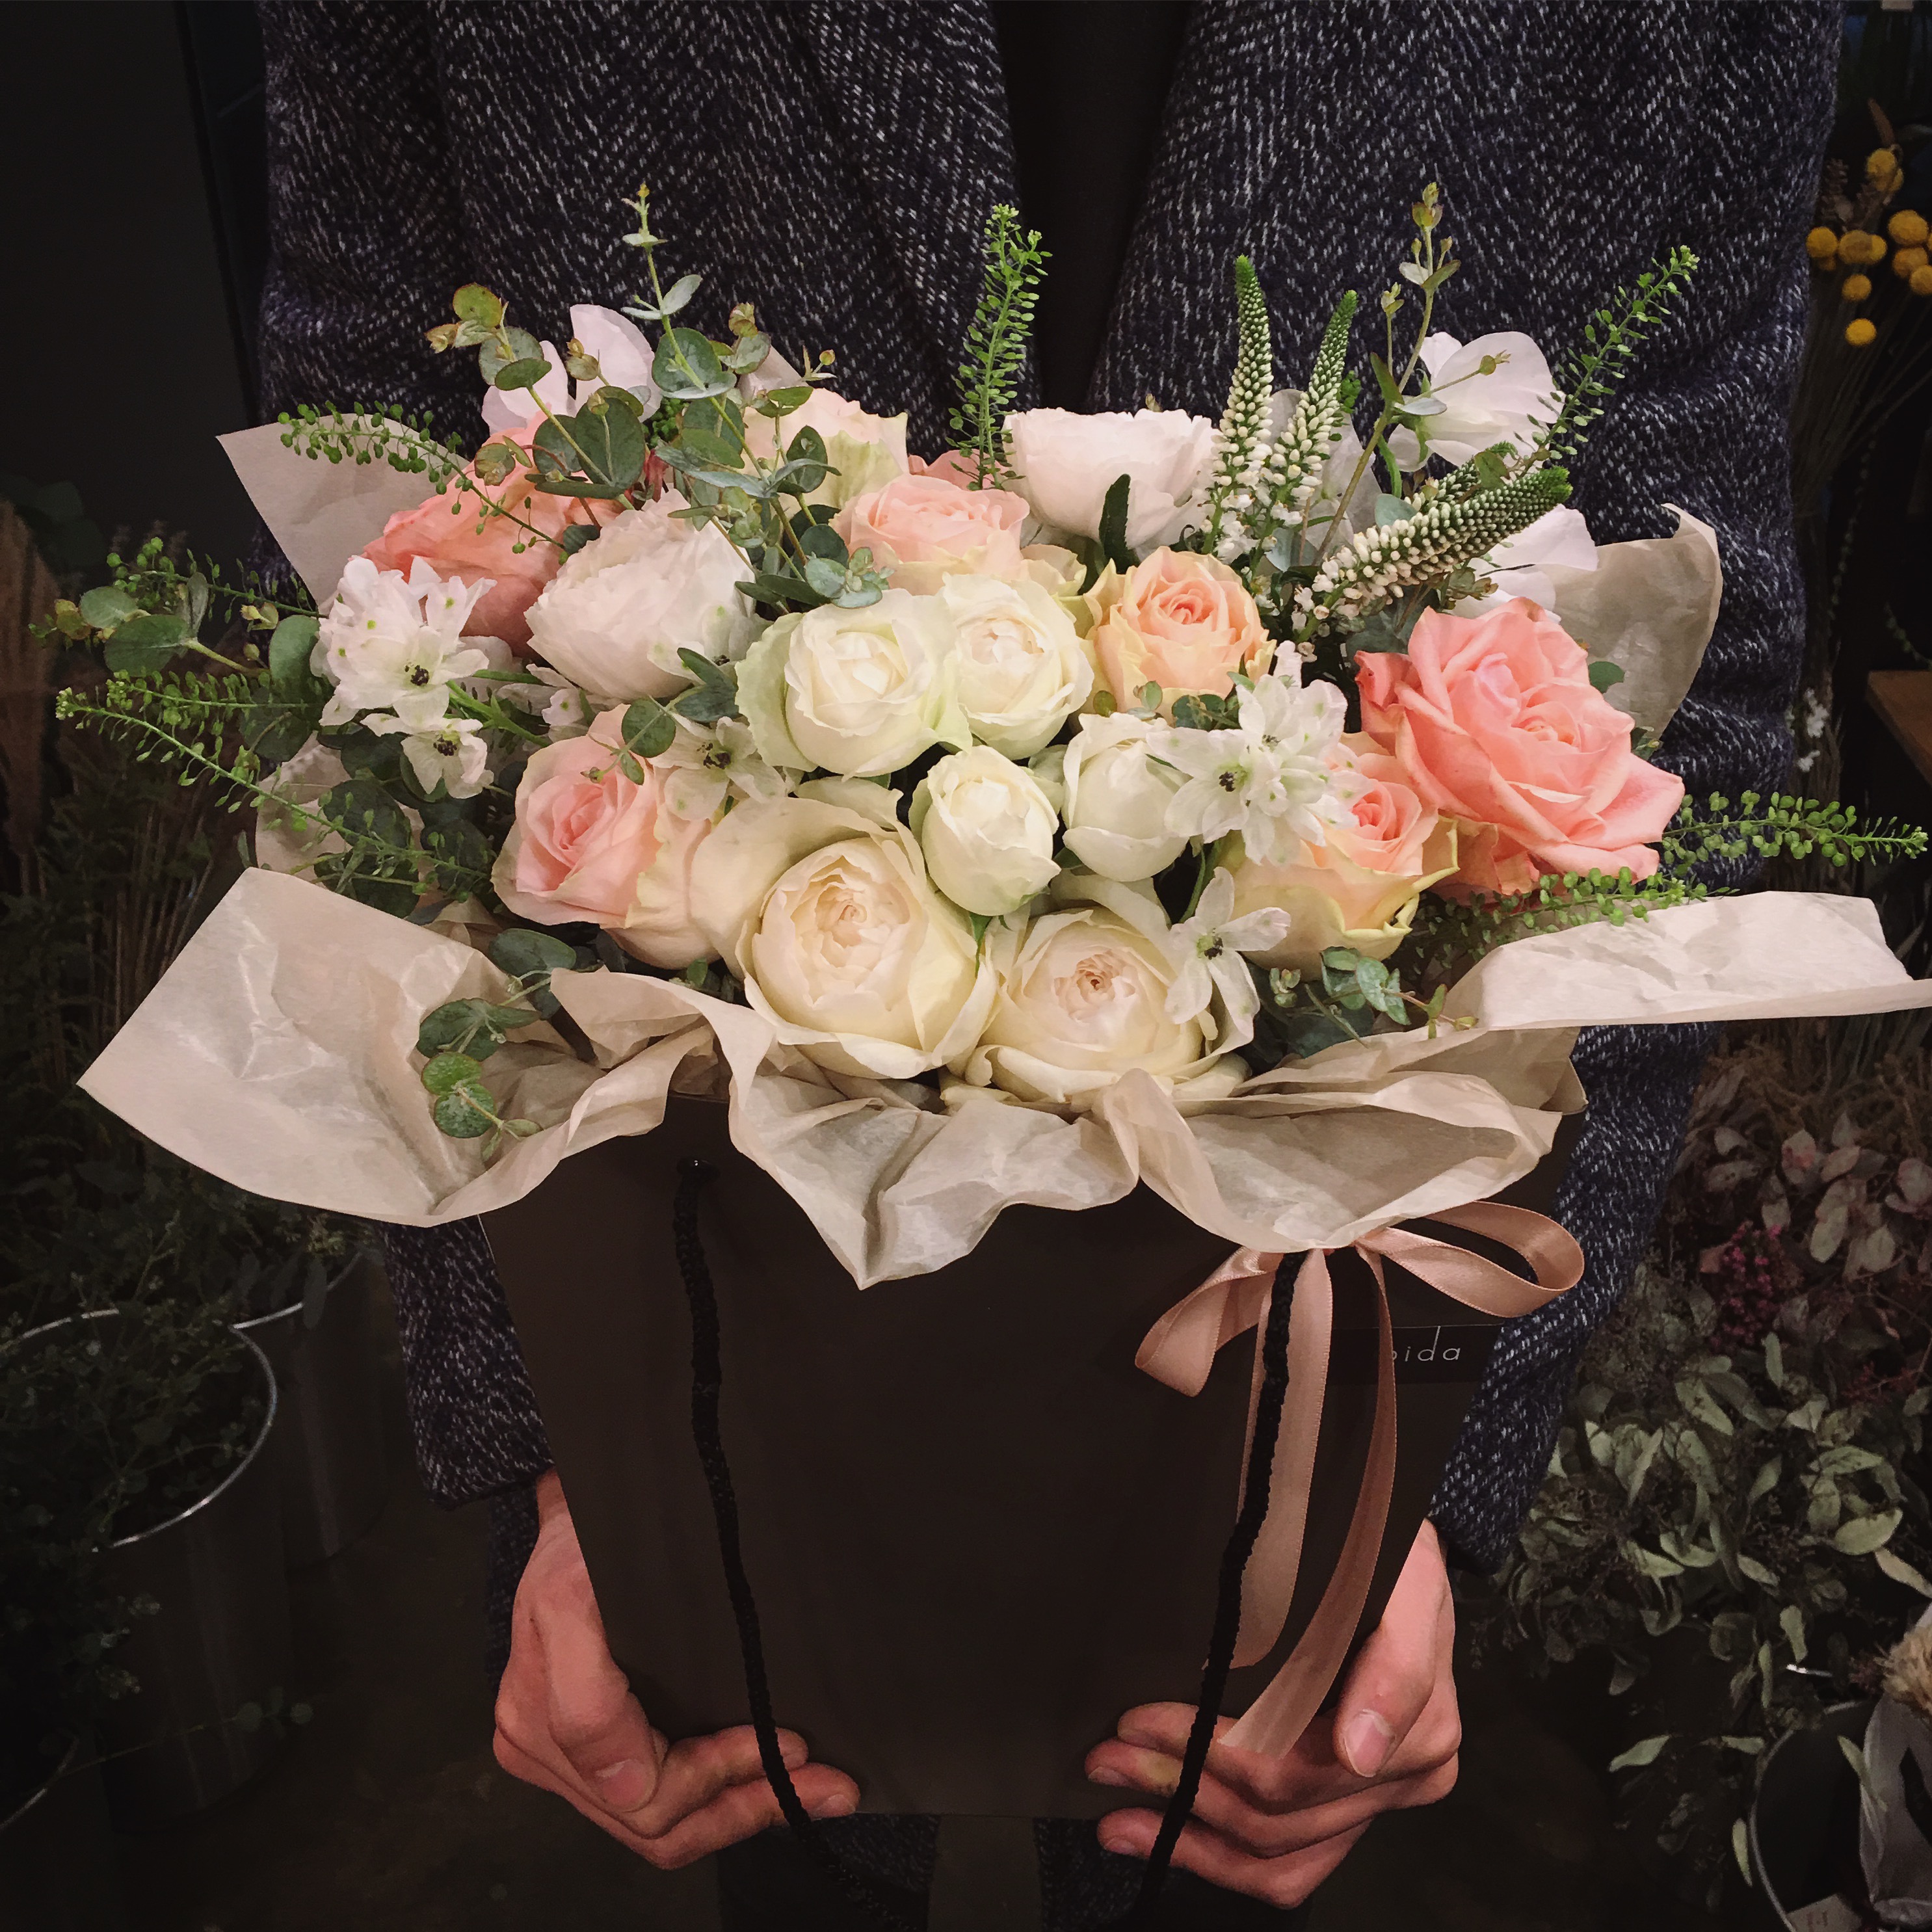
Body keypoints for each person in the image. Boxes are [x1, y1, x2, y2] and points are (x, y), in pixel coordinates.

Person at [256, 2, 1840, 1924]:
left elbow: (1683, 670)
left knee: (1202, 1860)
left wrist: (1408, 1445)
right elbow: (375, 579)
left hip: (1275, 1442)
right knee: (795, 1842)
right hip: (711, 1356)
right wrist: (579, 1430)